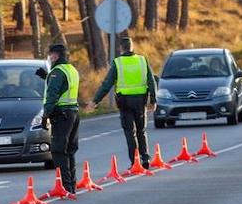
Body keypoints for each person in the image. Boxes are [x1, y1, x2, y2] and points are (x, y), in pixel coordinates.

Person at [86, 36, 157, 170]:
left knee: (130, 132)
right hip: (140, 101)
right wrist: (153, 100)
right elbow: (151, 81)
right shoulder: (142, 60)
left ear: (121, 49)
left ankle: (135, 161)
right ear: (132, 47)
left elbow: (106, 84)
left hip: (125, 102)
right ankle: (145, 158)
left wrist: (95, 101)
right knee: (141, 130)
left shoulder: (118, 63)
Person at [41, 43, 81, 193]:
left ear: (55, 56)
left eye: (50, 55)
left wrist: (45, 115)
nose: (50, 58)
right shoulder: (71, 70)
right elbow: (65, 87)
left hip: (61, 115)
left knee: (58, 151)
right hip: (73, 113)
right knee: (70, 150)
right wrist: (46, 77)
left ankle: (64, 186)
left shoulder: (57, 71)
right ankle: (72, 185)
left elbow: (53, 94)